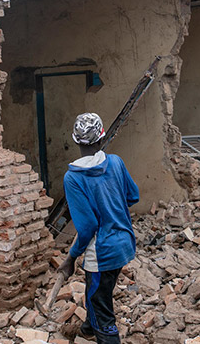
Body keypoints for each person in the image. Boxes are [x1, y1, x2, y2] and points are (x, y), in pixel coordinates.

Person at [58, 113, 139, 343]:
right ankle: (87, 329)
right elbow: (132, 196)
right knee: (97, 292)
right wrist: (113, 209)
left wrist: (71, 257)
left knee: (103, 310)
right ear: (102, 139)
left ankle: (102, 332)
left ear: (75, 141)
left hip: (100, 253)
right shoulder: (115, 162)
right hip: (124, 244)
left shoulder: (73, 178)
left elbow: (87, 228)